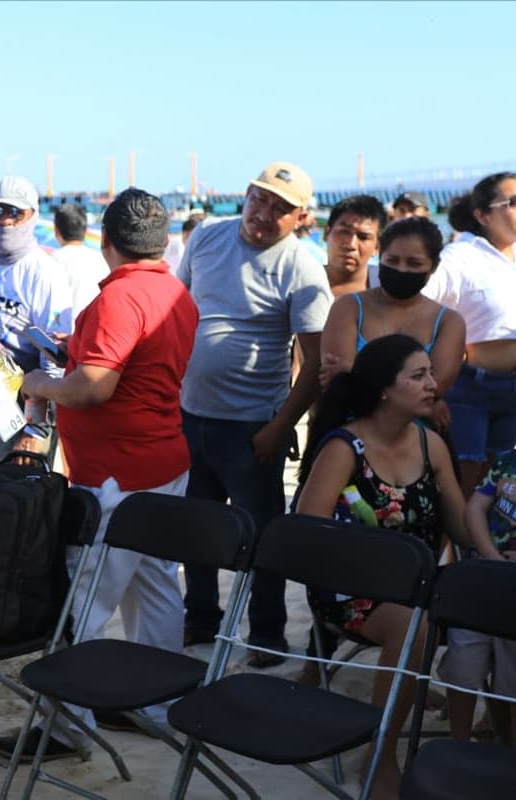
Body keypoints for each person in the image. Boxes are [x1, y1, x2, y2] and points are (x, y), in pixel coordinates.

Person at [0, 188, 198, 760]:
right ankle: (153, 706)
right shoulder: (175, 292)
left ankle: (67, 727)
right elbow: (131, 364)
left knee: (82, 600)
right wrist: (79, 349)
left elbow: (92, 388)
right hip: (163, 460)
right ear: (162, 241)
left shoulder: (120, 298)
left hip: (116, 474)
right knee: (155, 585)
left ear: (104, 240)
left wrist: (39, 383)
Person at [295, 333, 470, 798]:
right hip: (349, 587)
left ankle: (489, 736)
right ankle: (382, 752)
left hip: (419, 587)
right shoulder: (343, 447)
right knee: (414, 627)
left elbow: (460, 525)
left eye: (431, 374)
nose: (433, 384)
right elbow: (306, 536)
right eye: (419, 375)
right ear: (384, 390)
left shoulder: (431, 444)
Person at [177, 161, 332, 666]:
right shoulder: (206, 237)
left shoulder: (302, 267)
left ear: (301, 217)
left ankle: (267, 635)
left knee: (261, 537)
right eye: (259, 199)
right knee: (196, 529)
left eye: (280, 208)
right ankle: (200, 617)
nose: (264, 213)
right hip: (188, 414)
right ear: (245, 194)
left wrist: (281, 426)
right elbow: (178, 310)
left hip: (252, 426)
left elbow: (315, 361)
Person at [320, 216, 465, 433]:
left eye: (414, 263)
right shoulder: (348, 307)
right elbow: (339, 381)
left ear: (433, 267)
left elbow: (432, 389)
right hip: (350, 433)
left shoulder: (448, 322)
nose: (401, 269)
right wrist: (417, 401)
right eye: (392, 260)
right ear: (380, 257)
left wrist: (356, 376)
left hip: (416, 440)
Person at [422, 172, 516, 497]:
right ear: (482, 215)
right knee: (462, 487)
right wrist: (430, 390)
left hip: (512, 393)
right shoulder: (459, 257)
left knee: (499, 490)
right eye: (513, 202)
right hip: (467, 389)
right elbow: (417, 307)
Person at [439, 447, 516, 748]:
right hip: (484, 581)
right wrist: (492, 558)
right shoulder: (507, 461)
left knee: (512, 681)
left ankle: (507, 754)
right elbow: (474, 510)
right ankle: (458, 744)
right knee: (463, 667)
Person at [0, 176, 73, 373]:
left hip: (21, 387)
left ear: (33, 215)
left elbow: (54, 360)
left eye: (15, 213)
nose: (5, 221)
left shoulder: (46, 273)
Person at [320, 195, 387, 298]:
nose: (351, 244)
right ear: (326, 233)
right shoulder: (300, 281)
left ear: (377, 247)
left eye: (363, 237)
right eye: (344, 232)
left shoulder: (389, 291)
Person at [51, 202, 107, 315]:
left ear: (57, 230)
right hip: (93, 323)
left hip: (62, 325)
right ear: (85, 230)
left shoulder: (50, 262)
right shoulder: (101, 260)